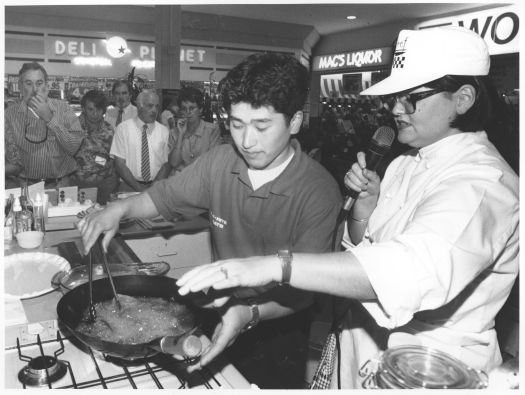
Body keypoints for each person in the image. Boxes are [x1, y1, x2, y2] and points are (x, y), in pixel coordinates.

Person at [175, 27, 519, 388]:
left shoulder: (482, 183)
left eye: (411, 98)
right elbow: (366, 246)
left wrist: (275, 266)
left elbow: (409, 272)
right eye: (395, 95)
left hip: (431, 370)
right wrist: (364, 210)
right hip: (364, 352)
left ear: (463, 99)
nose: (396, 108)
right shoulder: (406, 162)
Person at [77, 53, 342, 389]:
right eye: (235, 124)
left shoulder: (318, 191)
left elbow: (306, 290)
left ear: (294, 122)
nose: (246, 141)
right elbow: (162, 197)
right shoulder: (220, 162)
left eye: (262, 126)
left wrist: (251, 313)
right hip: (220, 308)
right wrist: (118, 210)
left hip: (279, 326)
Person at [4, 62, 85, 189]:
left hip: (61, 184)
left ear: (46, 85)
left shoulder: (63, 108)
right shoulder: (9, 115)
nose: (35, 89)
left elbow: (73, 147)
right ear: (19, 86)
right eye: (28, 83)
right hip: (26, 185)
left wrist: (50, 118)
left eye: (39, 83)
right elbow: (12, 159)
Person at [110, 90, 173, 192]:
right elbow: (119, 164)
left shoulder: (164, 131)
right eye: (150, 106)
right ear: (139, 106)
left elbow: (167, 163)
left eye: (157, 106)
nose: (154, 110)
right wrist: (139, 188)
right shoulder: (123, 129)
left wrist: (153, 186)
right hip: (128, 187)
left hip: (156, 187)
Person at [70, 90, 118, 205]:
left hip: (104, 184)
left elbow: (112, 158)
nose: (95, 114)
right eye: (90, 109)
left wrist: (99, 162)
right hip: (76, 182)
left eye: (99, 110)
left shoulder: (109, 130)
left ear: (104, 110)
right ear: (83, 108)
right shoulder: (72, 127)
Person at [168, 86, 221, 173]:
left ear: (200, 109)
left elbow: (213, 162)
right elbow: (174, 163)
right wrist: (181, 135)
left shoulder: (211, 130)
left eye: (192, 108)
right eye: (184, 109)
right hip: (179, 182)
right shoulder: (174, 132)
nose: (188, 112)